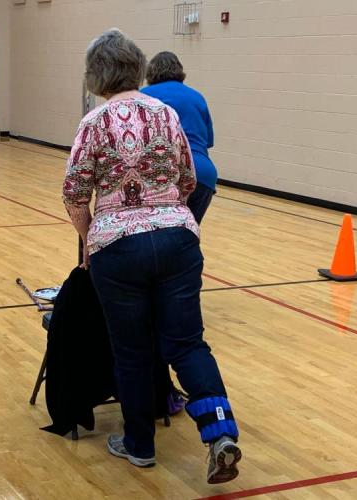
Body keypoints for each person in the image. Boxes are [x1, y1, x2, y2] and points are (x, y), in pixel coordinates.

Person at [62, 29, 242, 484]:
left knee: (133, 351)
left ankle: (139, 446)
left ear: (95, 74)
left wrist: (89, 241)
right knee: (186, 343)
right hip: (178, 238)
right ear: (136, 67)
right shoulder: (165, 113)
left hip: (117, 248)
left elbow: (74, 194)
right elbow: (187, 177)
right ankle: (219, 431)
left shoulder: (94, 122)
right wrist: (164, 209)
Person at [141, 51, 218, 224]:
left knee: (162, 238)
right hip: (203, 175)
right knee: (188, 237)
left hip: (167, 173)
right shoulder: (197, 97)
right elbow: (207, 142)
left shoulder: (144, 96)